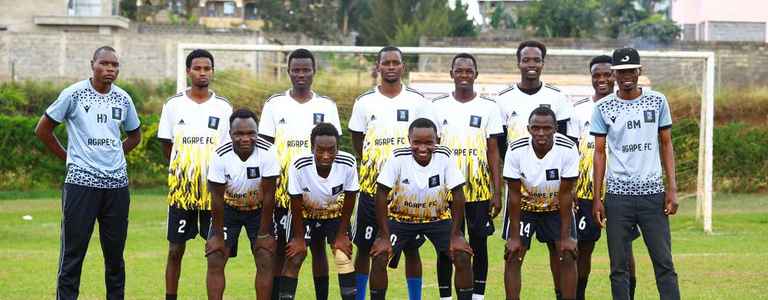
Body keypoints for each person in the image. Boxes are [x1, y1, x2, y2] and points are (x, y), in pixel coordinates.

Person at [35, 46, 141, 300]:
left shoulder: (123, 99)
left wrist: (114, 155)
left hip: (116, 186)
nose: (110, 69)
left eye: (115, 65)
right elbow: (43, 130)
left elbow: (134, 135)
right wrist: (72, 159)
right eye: (105, 64)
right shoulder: (74, 94)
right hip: (81, 185)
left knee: (115, 257)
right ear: (92, 64)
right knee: (73, 255)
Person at [591, 47, 680, 300]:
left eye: (631, 70)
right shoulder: (603, 108)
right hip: (618, 198)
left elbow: (666, 143)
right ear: (613, 75)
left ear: (640, 71)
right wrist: (598, 197)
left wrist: (671, 188)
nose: (626, 75)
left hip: (653, 195)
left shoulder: (657, 101)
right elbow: (599, 153)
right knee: (618, 268)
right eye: (621, 71)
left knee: (663, 263)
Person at [348, 46, 436, 300]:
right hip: (371, 187)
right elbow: (358, 140)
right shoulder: (364, 102)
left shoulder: (417, 100)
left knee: (411, 250)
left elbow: (429, 139)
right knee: (364, 248)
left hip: (408, 190)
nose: (390, 66)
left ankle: (415, 297)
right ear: (378, 66)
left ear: (402, 66)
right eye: (385, 62)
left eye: (395, 62)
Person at [258, 48, 343, 300]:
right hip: (284, 192)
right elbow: (264, 148)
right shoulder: (274, 104)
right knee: (283, 249)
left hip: (318, 192)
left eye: (306, 69)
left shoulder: (326, 105)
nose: (301, 74)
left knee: (318, 248)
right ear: (288, 72)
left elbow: (334, 148)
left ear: (314, 72)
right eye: (296, 70)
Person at [368, 118, 475, 300]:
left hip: (437, 218)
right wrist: (384, 237)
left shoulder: (444, 155)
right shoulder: (398, 156)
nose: (423, 148)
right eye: (417, 142)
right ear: (409, 139)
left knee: (462, 255)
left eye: (429, 142)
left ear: (437, 140)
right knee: (379, 257)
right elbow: (381, 193)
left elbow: (458, 193)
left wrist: (456, 235)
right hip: (401, 218)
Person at [158, 49, 233, 300]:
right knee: (175, 250)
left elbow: (227, 149)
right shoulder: (173, 105)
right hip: (182, 193)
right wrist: (185, 171)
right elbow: (167, 146)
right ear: (188, 71)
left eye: (207, 68)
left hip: (214, 193)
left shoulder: (223, 107)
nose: (202, 72)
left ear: (212, 71)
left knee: (216, 252)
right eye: (198, 68)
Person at [432, 53, 504, 300]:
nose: (464, 75)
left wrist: (497, 191)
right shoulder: (437, 106)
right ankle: (445, 297)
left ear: (476, 74)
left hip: (479, 191)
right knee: (445, 246)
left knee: (479, 244)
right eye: (459, 70)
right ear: (451, 74)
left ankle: (477, 296)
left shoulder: (489, 107)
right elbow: (433, 150)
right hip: (446, 192)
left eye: (469, 70)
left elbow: (493, 151)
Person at [571, 55, 638, 300]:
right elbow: (570, 151)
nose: (602, 79)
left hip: (621, 190)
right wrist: (572, 190)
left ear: (616, 76)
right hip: (586, 193)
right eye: (596, 75)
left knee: (624, 249)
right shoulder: (578, 110)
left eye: (607, 74)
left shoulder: (630, 106)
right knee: (583, 248)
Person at [502, 106, 579, 300]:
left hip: (556, 206)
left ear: (555, 129)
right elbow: (513, 193)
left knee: (567, 254)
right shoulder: (515, 149)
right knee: (513, 255)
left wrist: (565, 237)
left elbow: (566, 193)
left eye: (547, 128)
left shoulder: (568, 148)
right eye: (536, 128)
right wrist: (514, 237)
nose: (541, 133)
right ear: (528, 129)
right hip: (524, 206)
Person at [276, 123, 360, 300]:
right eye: (320, 150)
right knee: (296, 256)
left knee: (342, 256)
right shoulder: (299, 165)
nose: (326, 155)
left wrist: (342, 234)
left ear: (338, 147)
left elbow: (351, 196)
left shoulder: (348, 162)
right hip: (304, 214)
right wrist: (299, 239)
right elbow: (295, 203)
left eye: (331, 150)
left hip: (335, 214)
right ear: (312, 147)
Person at [205, 108, 279, 300]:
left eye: (250, 133)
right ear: (230, 134)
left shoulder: (268, 151)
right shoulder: (220, 155)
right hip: (228, 209)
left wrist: (263, 234)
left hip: (259, 210)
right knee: (215, 256)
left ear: (257, 133)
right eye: (239, 134)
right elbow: (216, 199)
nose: (245, 138)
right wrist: (218, 235)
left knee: (265, 257)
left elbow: (270, 194)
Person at [496, 40, 576, 151]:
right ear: (519, 63)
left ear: (542, 63)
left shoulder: (557, 95)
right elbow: (500, 140)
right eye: (526, 60)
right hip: (515, 163)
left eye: (537, 60)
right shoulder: (503, 97)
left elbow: (563, 135)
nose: (531, 65)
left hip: (550, 162)